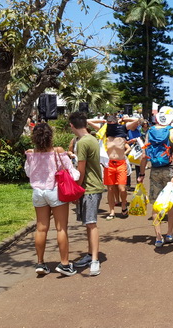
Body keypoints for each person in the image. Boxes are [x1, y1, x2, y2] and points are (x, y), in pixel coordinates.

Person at [24, 123, 79, 276]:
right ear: (50, 136)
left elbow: (29, 173)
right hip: (55, 191)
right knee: (61, 228)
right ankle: (64, 264)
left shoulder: (30, 153)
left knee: (41, 228)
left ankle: (40, 263)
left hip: (38, 193)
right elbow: (72, 172)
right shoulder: (58, 151)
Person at [138, 110, 173, 247]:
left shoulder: (150, 131)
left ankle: (158, 237)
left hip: (155, 170)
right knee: (172, 202)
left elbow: (144, 155)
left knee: (156, 203)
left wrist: (141, 174)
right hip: (169, 168)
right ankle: (169, 233)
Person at [69, 112, 104, 276]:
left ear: (72, 125)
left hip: (89, 187)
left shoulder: (83, 142)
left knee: (90, 223)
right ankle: (90, 255)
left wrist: (76, 190)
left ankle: (95, 260)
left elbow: (80, 170)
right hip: (93, 186)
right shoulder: (91, 139)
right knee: (88, 223)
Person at [88, 115, 138, 220]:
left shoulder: (122, 128)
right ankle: (111, 211)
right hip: (108, 163)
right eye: (109, 124)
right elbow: (88, 121)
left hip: (121, 163)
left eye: (113, 124)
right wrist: (102, 120)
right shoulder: (104, 130)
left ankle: (124, 205)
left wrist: (125, 119)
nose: (111, 126)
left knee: (122, 188)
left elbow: (137, 120)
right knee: (110, 189)